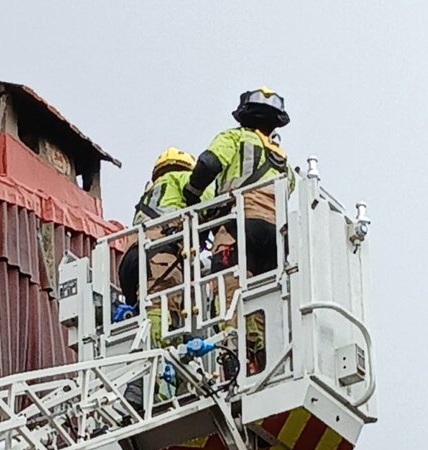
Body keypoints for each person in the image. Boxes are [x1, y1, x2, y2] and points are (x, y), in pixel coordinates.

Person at [183, 87, 295, 370]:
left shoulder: (234, 138)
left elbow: (208, 163)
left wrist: (192, 195)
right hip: (275, 236)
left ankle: (236, 358)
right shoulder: (283, 161)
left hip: (238, 227)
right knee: (264, 298)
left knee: (230, 293)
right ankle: (264, 360)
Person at [118, 148, 213, 347]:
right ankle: (159, 353)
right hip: (161, 255)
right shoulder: (183, 178)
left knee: (145, 307)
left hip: (130, 259)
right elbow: (210, 202)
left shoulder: (149, 193)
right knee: (162, 308)